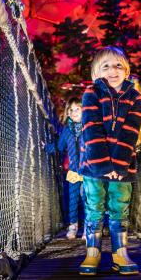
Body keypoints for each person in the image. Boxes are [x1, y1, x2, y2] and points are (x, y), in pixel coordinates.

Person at [78, 46, 141, 276]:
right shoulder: (91, 94)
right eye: (105, 66)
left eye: (118, 65)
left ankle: (120, 252)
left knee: (119, 208)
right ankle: (93, 252)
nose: (112, 70)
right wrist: (105, 165)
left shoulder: (135, 97)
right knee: (94, 206)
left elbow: (131, 130)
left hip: (124, 165)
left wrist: (119, 165)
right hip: (94, 167)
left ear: (126, 71)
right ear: (95, 73)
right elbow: (91, 128)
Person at [57, 97, 85, 239]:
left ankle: (89, 227)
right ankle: (73, 226)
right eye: (71, 110)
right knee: (73, 199)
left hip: (88, 171)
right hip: (74, 171)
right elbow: (60, 146)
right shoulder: (66, 130)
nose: (74, 112)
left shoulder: (90, 128)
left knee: (88, 199)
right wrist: (47, 147)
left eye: (77, 109)